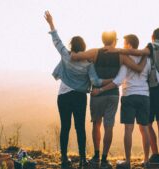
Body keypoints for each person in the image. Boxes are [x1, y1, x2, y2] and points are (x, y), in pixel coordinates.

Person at [92, 34, 159, 169]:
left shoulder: (126, 60)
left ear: (130, 45)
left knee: (128, 130)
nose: (124, 46)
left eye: (125, 43)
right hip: (144, 97)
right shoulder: (148, 60)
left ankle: (128, 162)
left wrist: (100, 90)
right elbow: (158, 78)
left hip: (129, 96)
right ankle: (146, 161)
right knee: (144, 129)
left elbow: (117, 81)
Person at [44, 11, 112, 169]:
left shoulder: (66, 56)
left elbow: (56, 41)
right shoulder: (88, 62)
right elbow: (96, 81)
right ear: (84, 47)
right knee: (80, 127)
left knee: (65, 127)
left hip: (63, 96)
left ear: (71, 46)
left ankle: (64, 159)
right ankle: (82, 159)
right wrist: (113, 81)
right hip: (80, 97)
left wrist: (51, 23)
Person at [71, 31, 147, 168]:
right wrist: (145, 57)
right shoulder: (121, 56)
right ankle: (105, 159)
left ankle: (96, 156)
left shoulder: (95, 52)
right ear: (114, 41)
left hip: (96, 94)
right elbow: (137, 68)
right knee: (108, 126)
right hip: (112, 94)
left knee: (96, 124)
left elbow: (76, 57)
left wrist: (72, 54)